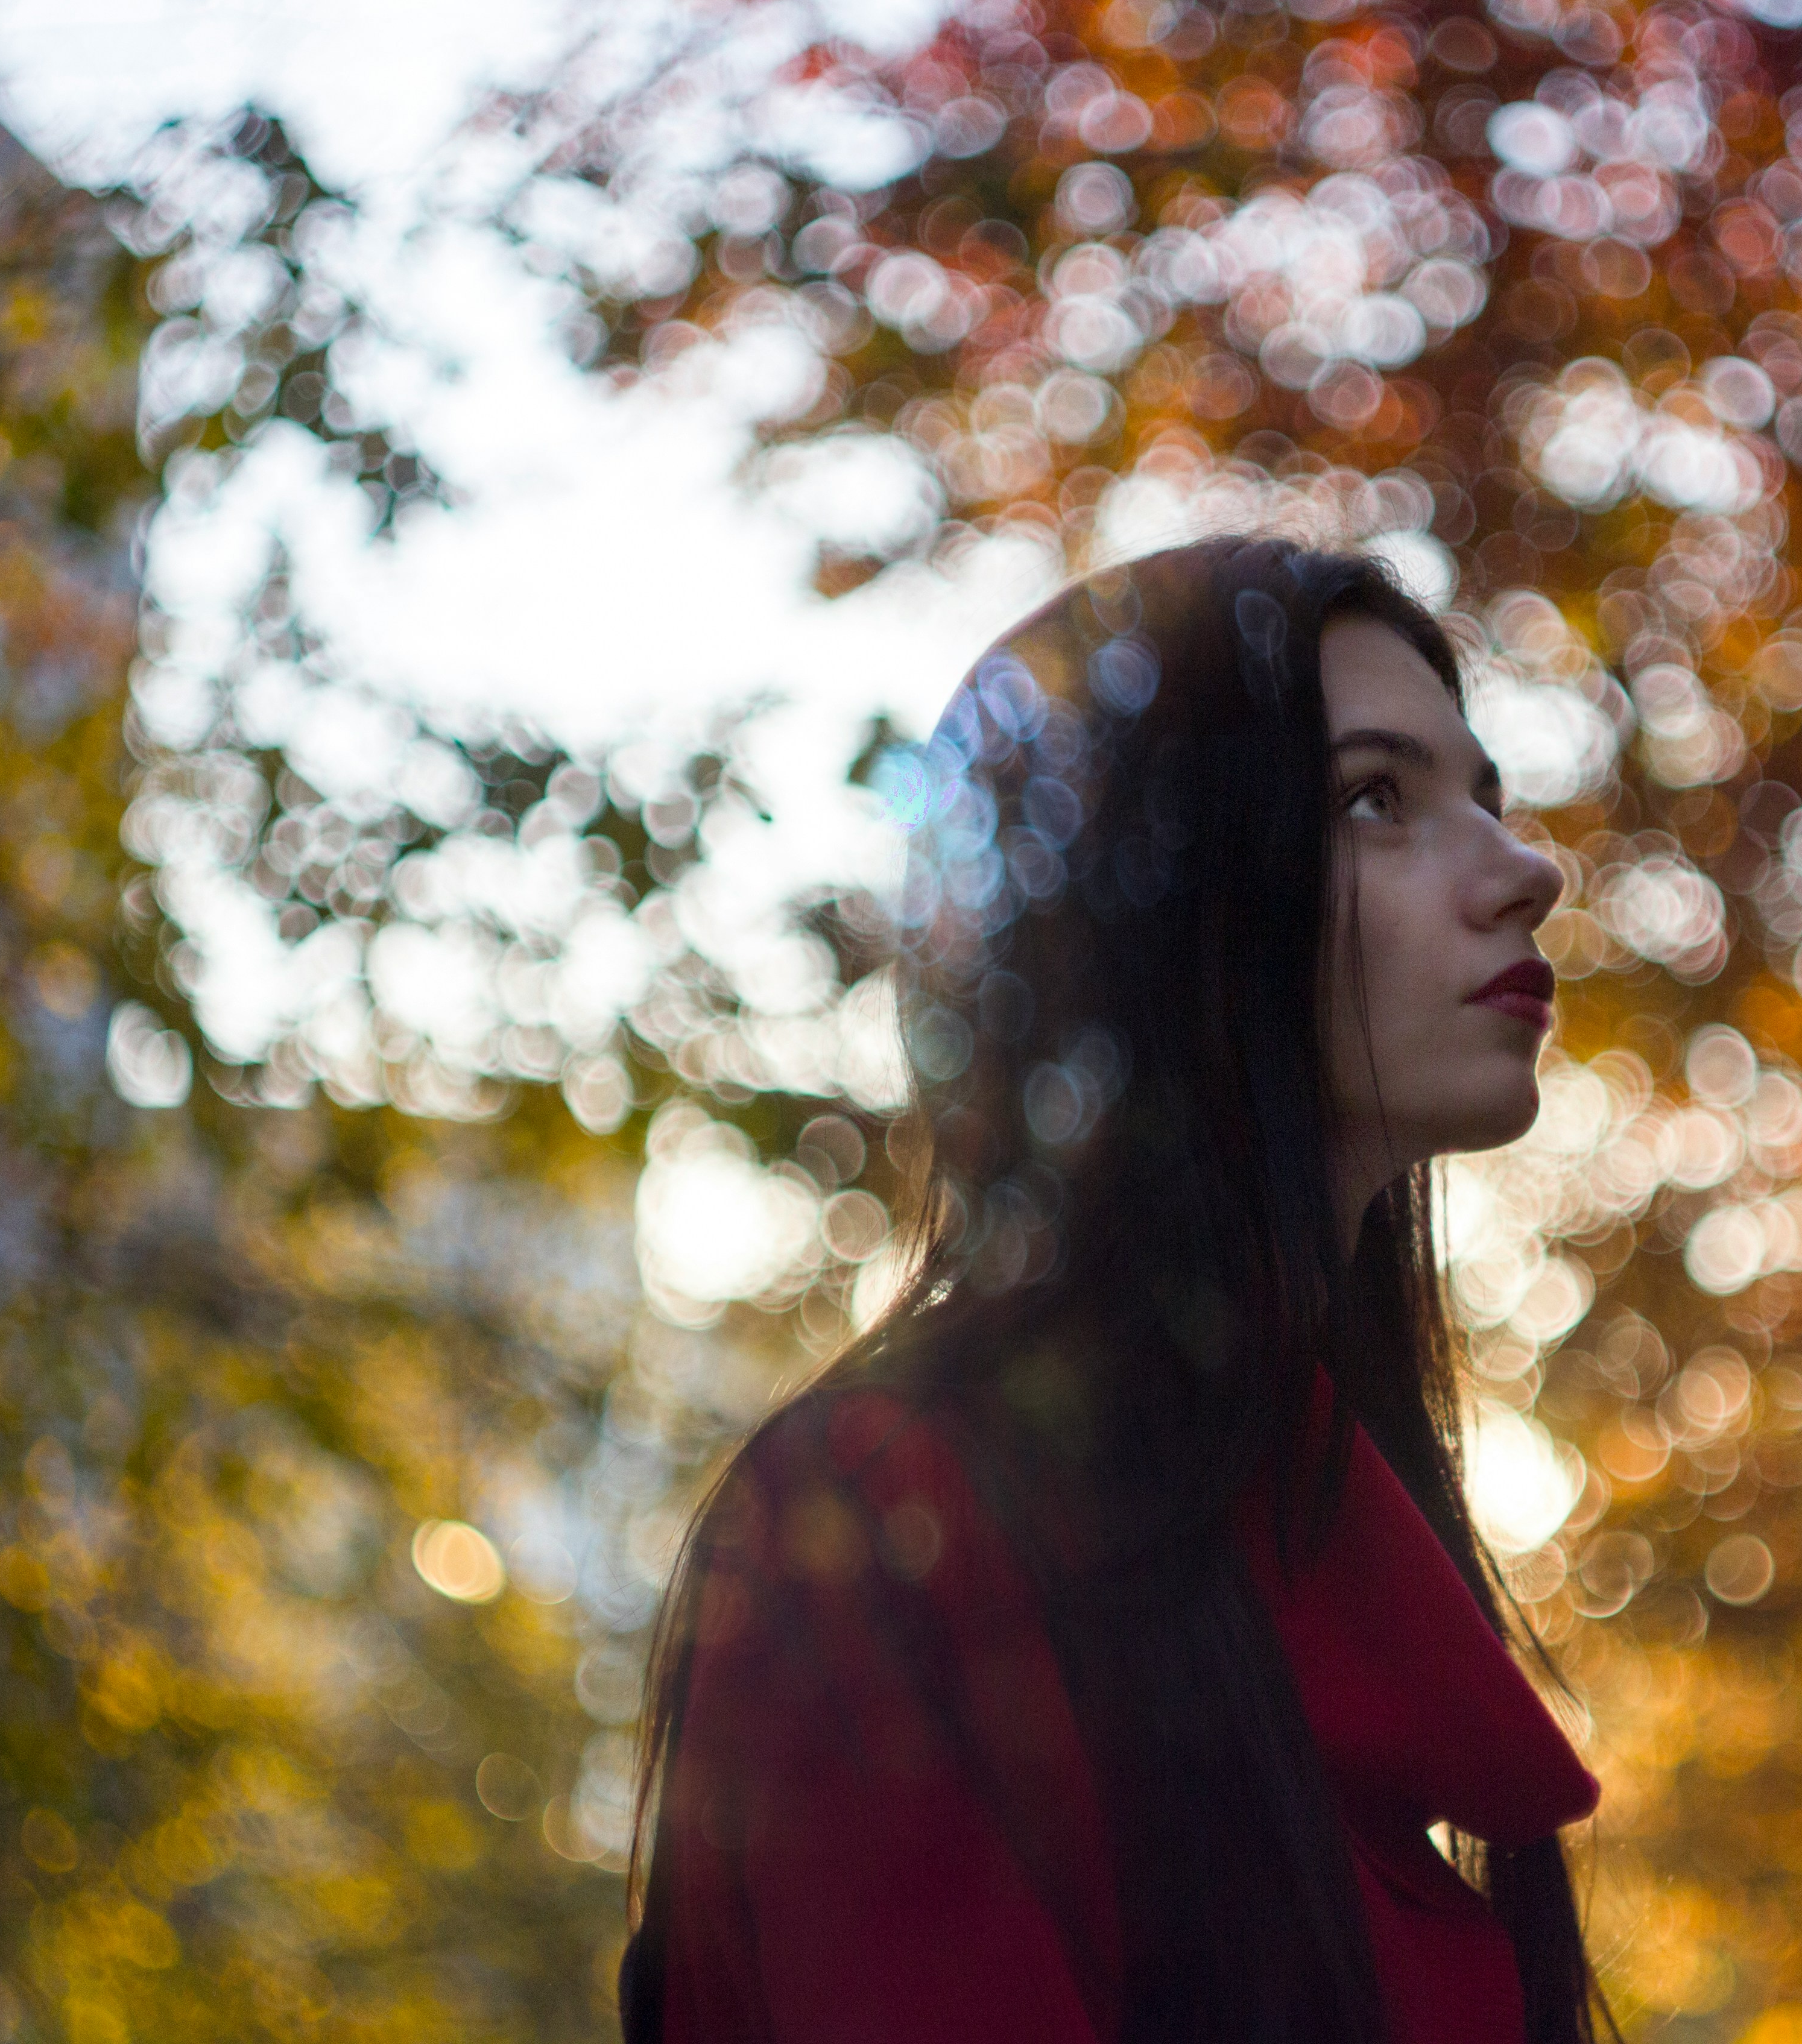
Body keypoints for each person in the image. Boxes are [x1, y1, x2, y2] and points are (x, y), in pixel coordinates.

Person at [616, 537, 1607, 2043]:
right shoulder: (888, 1526)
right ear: (1158, 905)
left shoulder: (1321, 1557)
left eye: (1486, 796)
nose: (1525, 869)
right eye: (1375, 800)